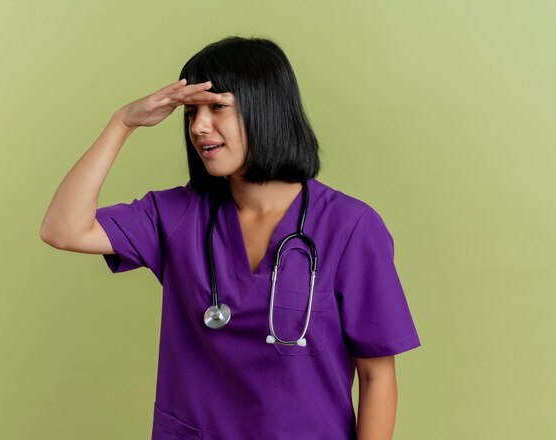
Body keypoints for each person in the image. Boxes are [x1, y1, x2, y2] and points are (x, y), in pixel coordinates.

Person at [40, 36, 421, 440]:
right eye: (190, 113)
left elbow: (377, 376)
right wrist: (123, 123)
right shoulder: (177, 215)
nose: (199, 126)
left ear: (266, 109)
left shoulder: (350, 228)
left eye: (217, 107)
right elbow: (62, 228)